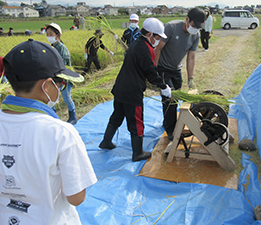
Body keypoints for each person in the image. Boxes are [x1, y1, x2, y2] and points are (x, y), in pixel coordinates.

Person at [0, 39, 97, 224]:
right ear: (46, 85)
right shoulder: (61, 133)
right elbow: (76, 198)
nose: (61, 88)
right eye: (59, 83)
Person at [99, 18, 172, 162]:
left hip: (120, 87)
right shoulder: (146, 49)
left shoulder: (136, 43)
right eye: (157, 37)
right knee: (136, 121)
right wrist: (163, 86)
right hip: (132, 91)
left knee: (117, 116)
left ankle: (106, 142)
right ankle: (137, 153)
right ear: (150, 34)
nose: (158, 40)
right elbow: (151, 73)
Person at [154, 7, 205, 141]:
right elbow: (158, 49)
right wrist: (154, 70)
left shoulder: (196, 34)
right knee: (169, 99)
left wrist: (190, 78)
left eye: (198, 27)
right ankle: (170, 129)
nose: (195, 29)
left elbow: (191, 57)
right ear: (187, 19)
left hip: (176, 70)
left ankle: (172, 123)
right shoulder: (171, 27)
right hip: (163, 68)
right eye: (194, 25)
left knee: (176, 99)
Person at [46, 22, 78, 124]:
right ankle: (54, 118)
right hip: (53, 78)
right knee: (52, 99)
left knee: (67, 98)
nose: (48, 36)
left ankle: (73, 117)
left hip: (64, 79)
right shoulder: (51, 47)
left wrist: (60, 79)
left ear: (58, 35)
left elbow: (63, 67)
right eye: (47, 34)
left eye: (51, 34)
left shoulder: (62, 49)